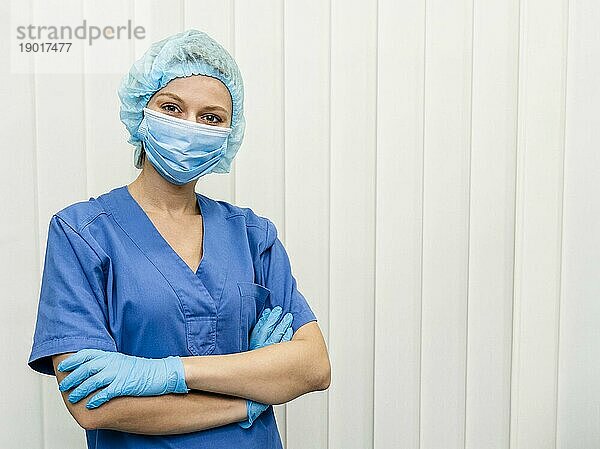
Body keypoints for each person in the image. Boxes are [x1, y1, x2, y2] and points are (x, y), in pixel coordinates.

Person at [27, 29, 331, 449]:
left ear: (229, 131)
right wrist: (249, 400)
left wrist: (167, 372)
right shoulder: (82, 234)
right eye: (172, 107)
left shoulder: (252, 235)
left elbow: (313, 366)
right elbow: (92, 403)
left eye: (211, 117)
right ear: (141, 112)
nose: (191, 127)